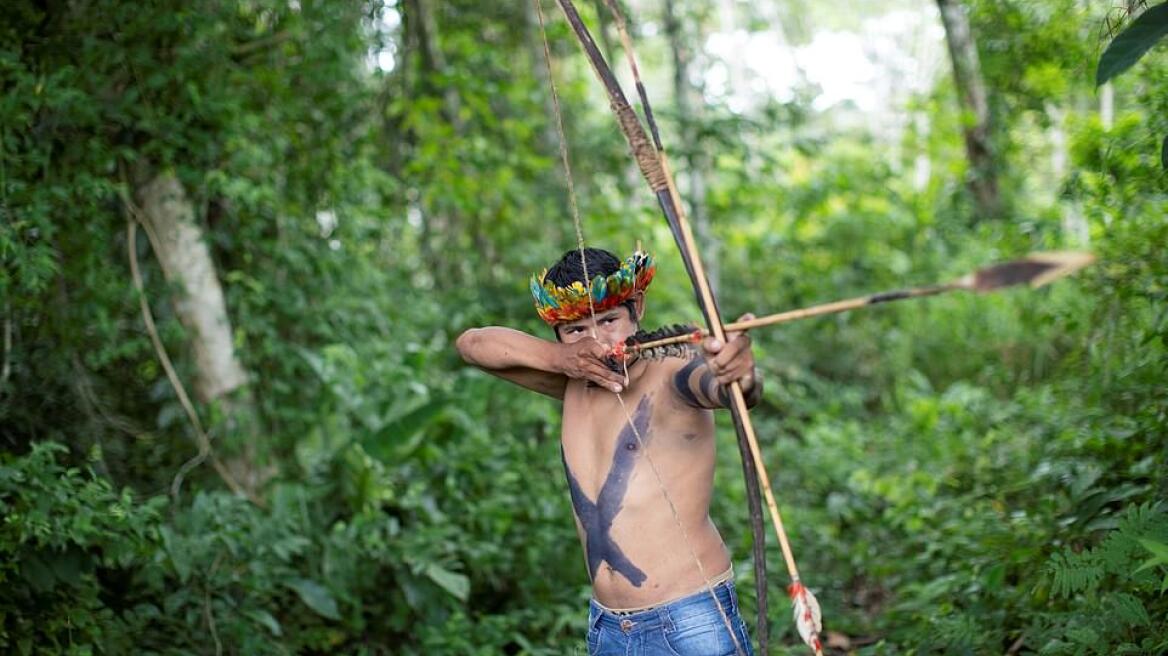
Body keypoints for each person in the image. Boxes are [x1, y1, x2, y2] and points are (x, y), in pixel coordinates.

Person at [456, 247, 760, 655]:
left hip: (690, 618)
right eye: (576, 330)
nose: (597, 342)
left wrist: (736, 372)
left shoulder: (672, 371)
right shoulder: (572, 380)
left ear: (637, 308)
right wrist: (562, 359)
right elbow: (473, 343)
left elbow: (727, 389)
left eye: (610, 321)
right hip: (610, 626)